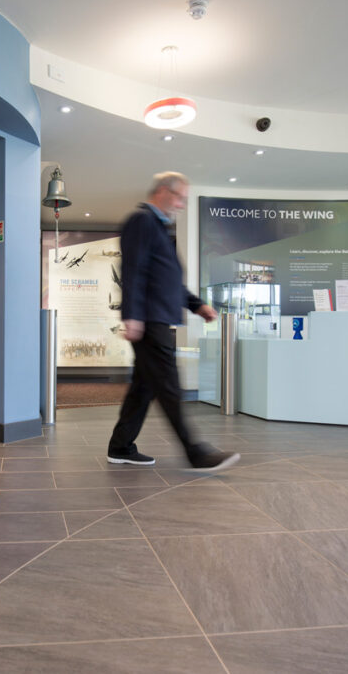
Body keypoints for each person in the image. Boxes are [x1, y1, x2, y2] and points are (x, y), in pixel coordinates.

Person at [107, 172, 241, 472]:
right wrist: (131, 315)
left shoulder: (159, 228)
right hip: (150, 321)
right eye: (180, 197)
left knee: (144, 388)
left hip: (157, 319)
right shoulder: (141, 221)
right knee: (169, 386)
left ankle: (120, 446)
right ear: (164, 192)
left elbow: (168, 282)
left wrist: (197, 305)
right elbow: (133, 270)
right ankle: (196, 453)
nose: (181, 204)